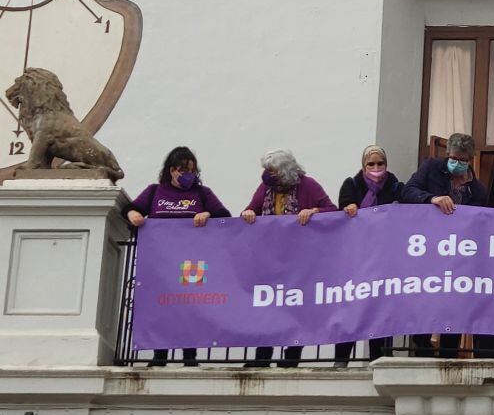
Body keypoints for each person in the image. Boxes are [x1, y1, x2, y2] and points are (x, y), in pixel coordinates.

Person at [126, 146, 231, 367]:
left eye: (192, 170)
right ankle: (159, 355)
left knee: (189, 307)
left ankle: (189, 355)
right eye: (183, 170)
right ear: (172, 170)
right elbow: (132, 208)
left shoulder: (202, 194)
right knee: (160, 306)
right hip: (159, 262)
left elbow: (224, 216)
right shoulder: (155, 192)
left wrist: (208, 213)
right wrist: (133, 213)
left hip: (192, 262)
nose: (188, 175)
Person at [240, 149, 336, 368]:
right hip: (270, 258)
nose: (267, 174)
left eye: (271, 170)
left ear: (284, 171)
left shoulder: (308, 185)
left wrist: (313, 211)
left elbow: (331, 210)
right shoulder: (266, 188)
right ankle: (262, 356)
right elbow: (250, 209)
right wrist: (248, 213)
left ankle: (292, 355)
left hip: (299, 260)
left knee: (295, 306)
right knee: (267, 307)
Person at [402, 133, 488, 358]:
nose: (457, 162)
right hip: (427, 252)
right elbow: (407, 191)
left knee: (455, 306)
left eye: (462, 159)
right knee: (424, 302)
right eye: (453, 157)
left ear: (470, 159)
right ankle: (422, 352)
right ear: (447, 154)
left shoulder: (477, 191)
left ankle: (449, 355)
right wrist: (432, 199)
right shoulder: (430, 168)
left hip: (459, 258)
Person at [334, 145, 404, 368]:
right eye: (371, 164)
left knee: (380, 307)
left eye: (380, 163)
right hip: (356, 257)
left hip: (385, 257)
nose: (376, 168)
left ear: (386, 164)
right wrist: (348, 207)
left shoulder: (395, 186)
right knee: (353, 305)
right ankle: (341, 358)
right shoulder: (352, 184)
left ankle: (380, 356)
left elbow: (405, 207)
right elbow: (343, 205)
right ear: (364, 166)